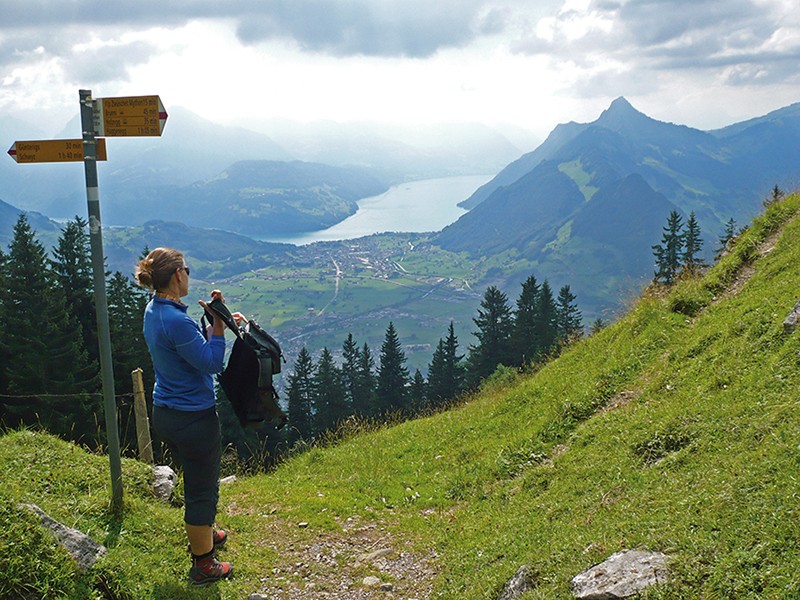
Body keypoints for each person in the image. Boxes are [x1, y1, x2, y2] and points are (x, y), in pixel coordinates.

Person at [135, 247, 243, 586]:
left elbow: (186, 350)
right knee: (202, 488)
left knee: (197, 478)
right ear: (177, 275)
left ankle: (205, 532)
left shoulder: (156, 310)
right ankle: (203, 564)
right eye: (187, 269)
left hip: (165, 409)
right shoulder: (175, 319)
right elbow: (211, 363)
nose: (189, 274)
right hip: (193, 417)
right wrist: (221, 328)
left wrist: (213, 321)